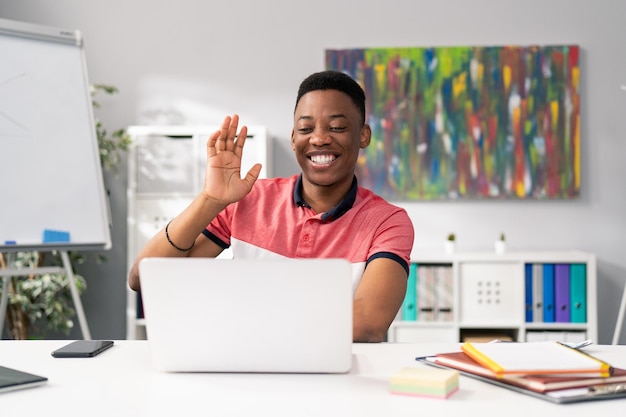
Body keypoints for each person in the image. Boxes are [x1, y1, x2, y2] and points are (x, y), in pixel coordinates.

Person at [128, 70, 415, 342]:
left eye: (337, 127)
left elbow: (368, 324)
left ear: (363, 135)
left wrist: (237, 315)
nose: (319, 138)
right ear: (293, 138)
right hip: (250, 374)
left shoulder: (387, 222)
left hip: (338, 382)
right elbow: (144, 278)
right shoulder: (248, 200)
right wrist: (210, 200)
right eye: (305, 128)